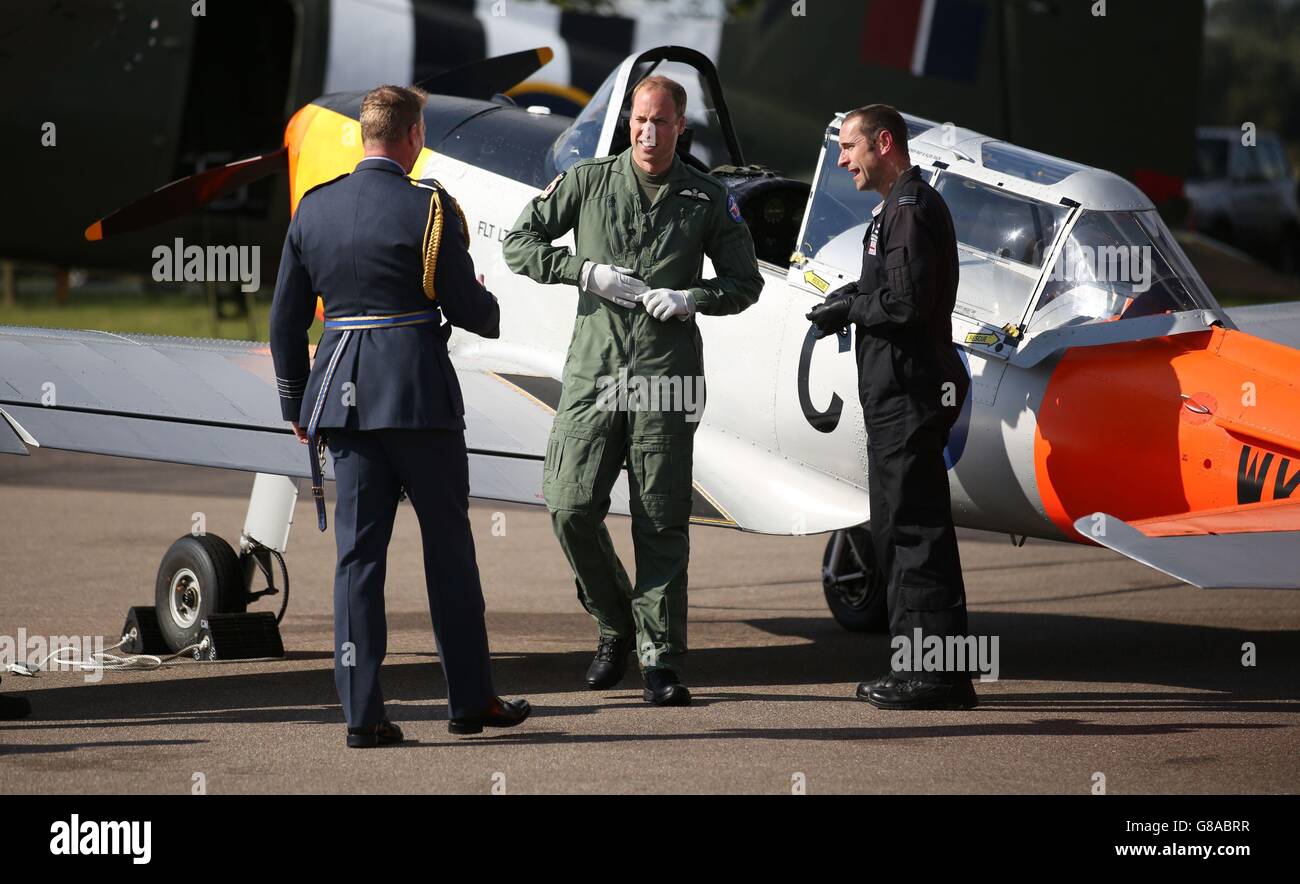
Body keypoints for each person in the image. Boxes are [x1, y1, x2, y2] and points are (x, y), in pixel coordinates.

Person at [270, 84, 530, 746]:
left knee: (357, 561)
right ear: (414, 136)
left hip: (344, 403)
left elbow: (285, 322)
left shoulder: (315, 209)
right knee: (449, 552)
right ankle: (470, 702)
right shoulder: (430, 207)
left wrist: (295, 401)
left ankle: (362, 716)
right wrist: (490, 304)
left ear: (366, 136)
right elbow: (467, 306)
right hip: (417, 399)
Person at [502, 75, 762, 706]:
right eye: (640, 121)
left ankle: (660, 661)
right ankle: (616, 621)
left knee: (661, 520)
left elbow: (744, 281)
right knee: (569, 506)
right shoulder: (589, 182)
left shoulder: (706, 197)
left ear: (680, 128)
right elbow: (519, 242)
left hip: (664, 383)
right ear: (629, 125)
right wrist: (581, 271)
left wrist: (691, 298)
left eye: (661, 122)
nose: (649, 133)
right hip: (594, 375)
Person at [806, 104, 976, 710]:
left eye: (851, 147)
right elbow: (891, 291)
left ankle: (932, 677)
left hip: (908, 398)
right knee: (902, 532)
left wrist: (853, 308)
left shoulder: (909, 209)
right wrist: (844, 299)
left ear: (884, 142)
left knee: (913, 536)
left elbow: (904, 304)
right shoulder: (894, 211)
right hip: (896, 400)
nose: (844, 159)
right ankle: (931, 671)